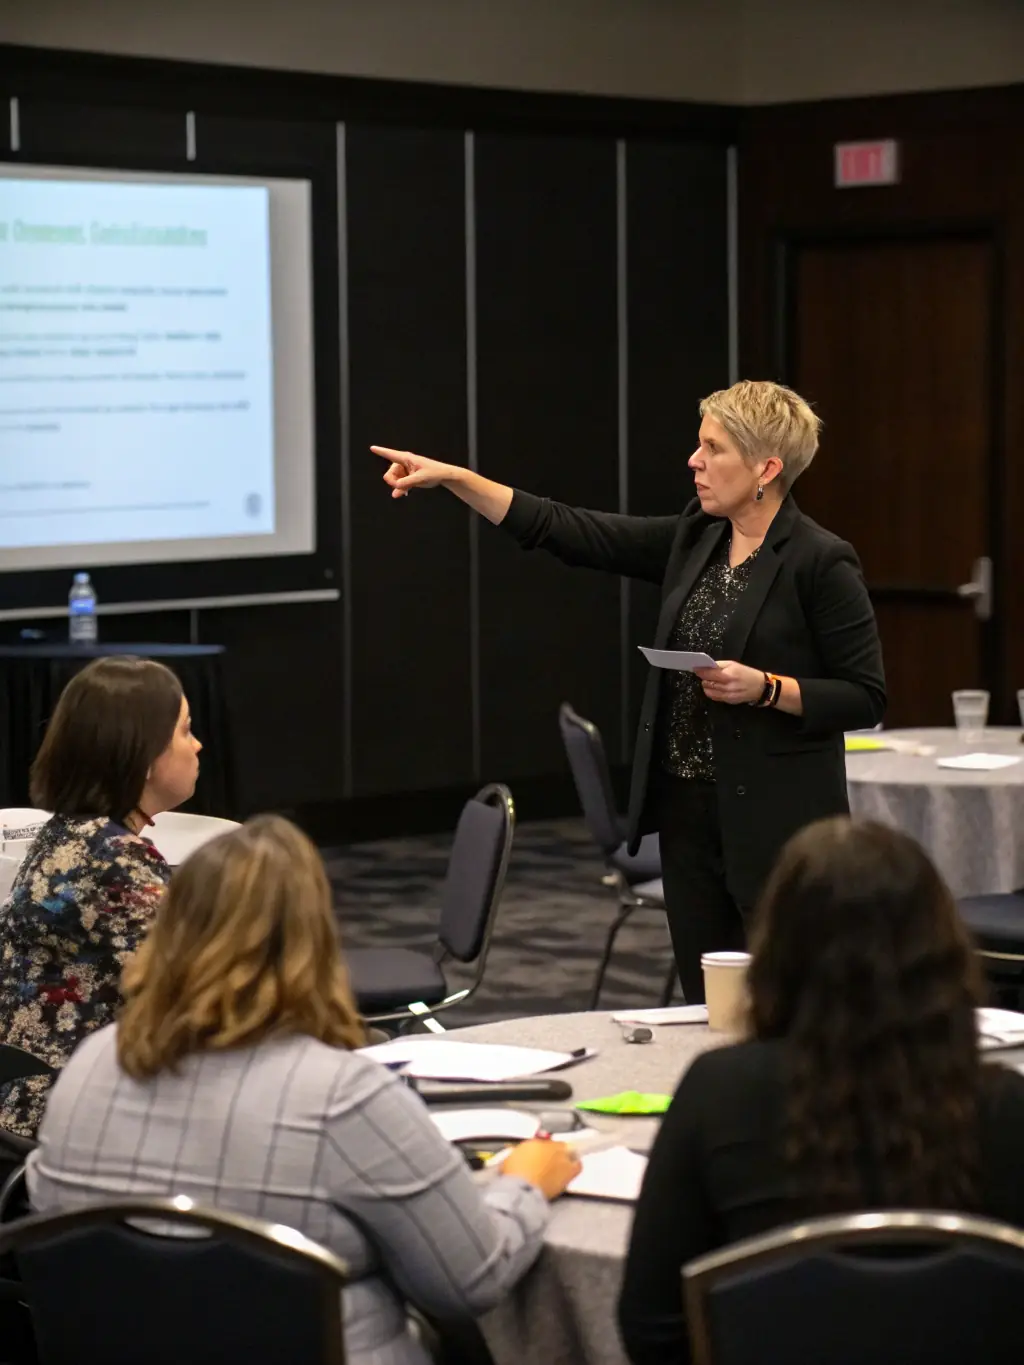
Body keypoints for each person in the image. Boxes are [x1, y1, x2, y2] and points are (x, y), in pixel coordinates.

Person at [372, 380, 885, 1002]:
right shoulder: (699, 535)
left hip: (776, 821)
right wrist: (458, 479)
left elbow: (864, 696)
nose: (693, 461)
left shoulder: (820, 561)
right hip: (688, 811)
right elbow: (570, 530)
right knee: (707, 1001)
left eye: (712, 448)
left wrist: (768, 688)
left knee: (789, 999)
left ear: (766, 468)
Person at [29, 815, 581, 1365]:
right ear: (316, 940)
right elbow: (467, 1285)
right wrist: (525, 1185)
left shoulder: (91, 1064)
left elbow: (52, 1222)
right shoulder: (343, 1096)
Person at [616, 817, 1024, 1365]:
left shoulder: (720, 1093)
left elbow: (651, 1326)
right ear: (941, 948)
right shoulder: (1004, 1107)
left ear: (776, 950)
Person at [0, 656, 201, 1136]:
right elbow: (193, 998)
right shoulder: (116, 862)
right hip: (78, 1122)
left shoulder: (66, 835)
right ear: (145, 756)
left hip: (25, 1106)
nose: (197, 745)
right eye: (185, 731)